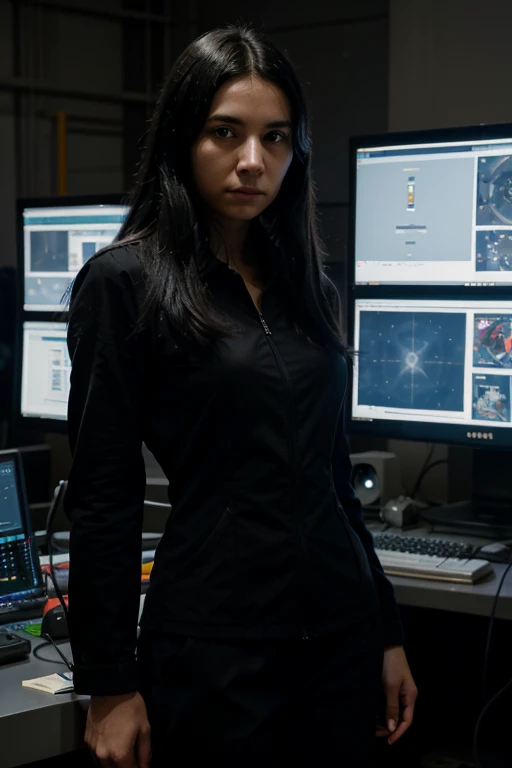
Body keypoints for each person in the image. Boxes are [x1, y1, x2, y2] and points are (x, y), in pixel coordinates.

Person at [62, 22, 418, 768]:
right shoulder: (124, 284)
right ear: (182, 138)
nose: (253, 161)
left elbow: (333, 478)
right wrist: (107, 683)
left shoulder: (308, 287)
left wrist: (386, 629)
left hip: (340, 641)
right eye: (226, 132)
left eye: (276, 138)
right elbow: (104, 494)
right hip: (215, 652)